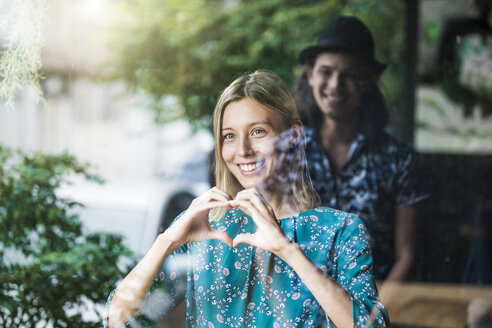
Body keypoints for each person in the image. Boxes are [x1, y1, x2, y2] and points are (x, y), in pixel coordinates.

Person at [106, 70, 389, 327]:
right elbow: (119, 319)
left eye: (257, 132)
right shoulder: (203, 228)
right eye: (229, 136)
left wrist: (286, 249)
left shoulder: (341, 231)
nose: (242, 150)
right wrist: (167, 241)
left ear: (293, 136)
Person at [293, 16, 429, 281]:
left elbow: (407, 257)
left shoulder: (399, 160)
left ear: (369, 81)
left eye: (350, 76)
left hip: (375, 307)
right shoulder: (286, 152)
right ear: (310, 75)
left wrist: (372, 318)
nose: (335, 85)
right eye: (326, 72)